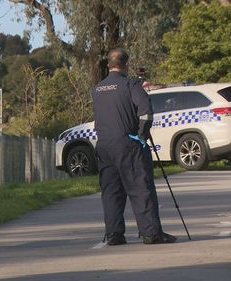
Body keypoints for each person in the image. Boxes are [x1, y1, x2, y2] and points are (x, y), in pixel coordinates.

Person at [92, 48, 177, 245]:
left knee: (111, 191)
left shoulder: (97, 89)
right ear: (126, 64)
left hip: (104, 146)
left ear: (108, 65)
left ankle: (114, 234)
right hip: (128, 144)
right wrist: (141, 135)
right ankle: (150, 233)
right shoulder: (131, 85)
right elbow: (146, 114)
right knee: (140, 187)